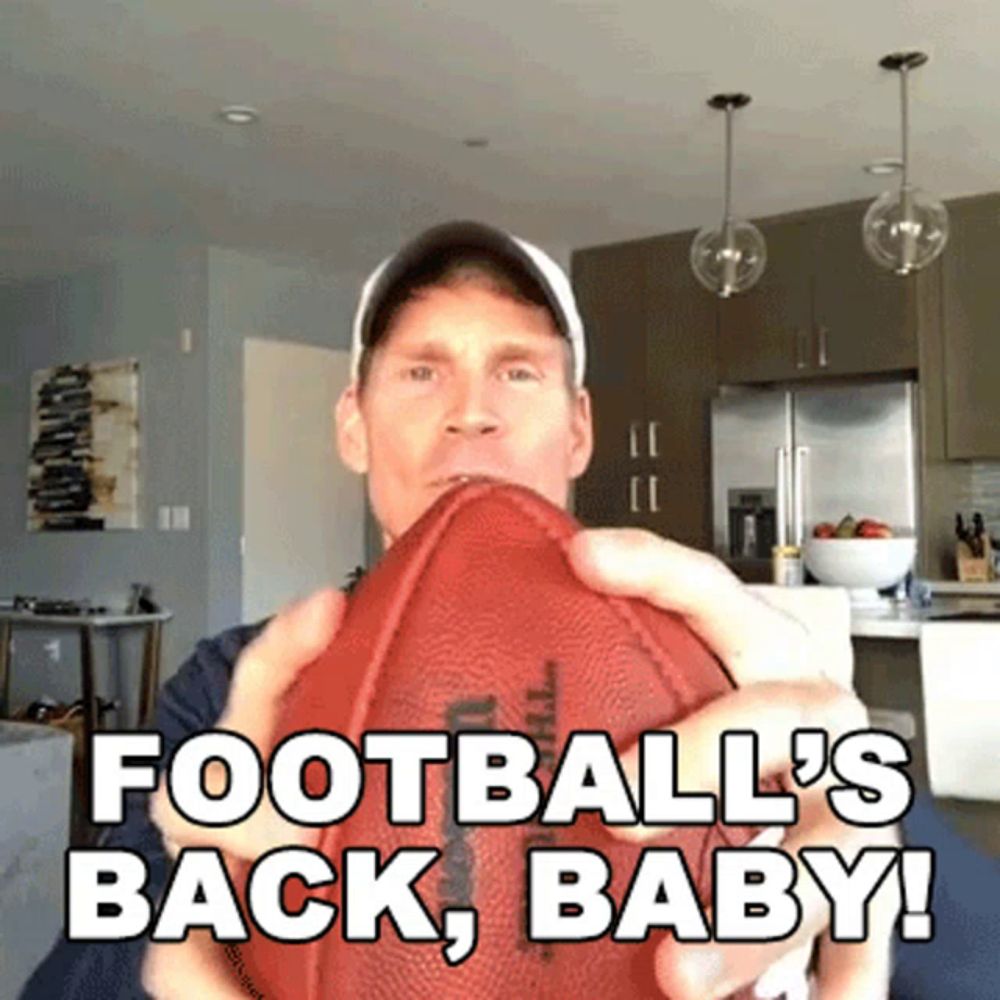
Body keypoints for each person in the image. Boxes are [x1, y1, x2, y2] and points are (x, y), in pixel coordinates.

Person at [22, 222, 999, 1000]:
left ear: (577, 428)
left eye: (517, 369)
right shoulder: (226, 690)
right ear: (353, 426)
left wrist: (863, 813)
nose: (471, 411)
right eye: (421, 370)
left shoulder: (714, 679)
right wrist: (187, 929)